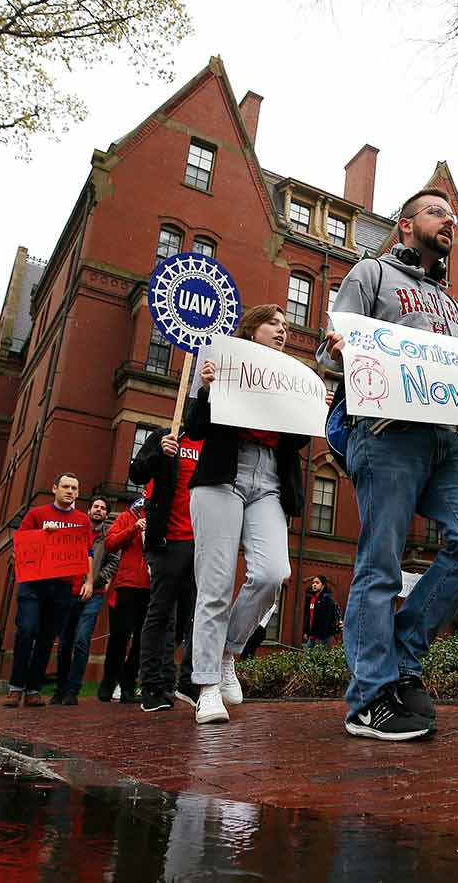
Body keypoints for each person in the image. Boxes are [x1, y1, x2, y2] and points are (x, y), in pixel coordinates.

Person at [319, 187, 458, 741]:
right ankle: (370, 698)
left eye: (452, 216)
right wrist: (338, 345)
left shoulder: (448, 303)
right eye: (436, 213)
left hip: (444, 440)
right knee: (381, 563)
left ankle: (402, 651)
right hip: (384, 431)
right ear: (405, 225)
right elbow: (331, 351)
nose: (448, 222)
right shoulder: (370, 275)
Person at [185, 304, 308, 725]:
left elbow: (297, 443)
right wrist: (205, 389)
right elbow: (195, 428)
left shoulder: (289, 375)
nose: (282, 330)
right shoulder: (223, 362)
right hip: (223, 475)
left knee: (274, 573)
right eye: (274, 323)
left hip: (270, 479)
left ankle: (226, 653)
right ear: (252, 330)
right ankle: (206, 687)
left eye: (286, 326)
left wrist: (310, 405)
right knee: (215, 585)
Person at [6, 472, 94, 708]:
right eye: (65, 486)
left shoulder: (82, 521)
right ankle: (15, 687)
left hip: (63, 586)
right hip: (34, 584)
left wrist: (89, 580)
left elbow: (88, 553)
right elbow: (20, 545)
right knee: (26, 630)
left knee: (46, 638)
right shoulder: (37, 514)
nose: (70, 491)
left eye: (74, 488)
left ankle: (33, 689)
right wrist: (42, 536)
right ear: (55, 488)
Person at [130, 430, 203, 713]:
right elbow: (136, 473)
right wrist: (159, 452)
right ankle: (151, 686)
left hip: (202, 543)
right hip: (167, 541)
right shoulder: (166, 436)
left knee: (196, 616)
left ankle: (187, 682)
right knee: (161, 614)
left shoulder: (216, 442)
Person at [53, 495, 114, 705]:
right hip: (69, 592)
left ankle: (72, 690)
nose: (98, 510)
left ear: (106, 514)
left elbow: (113, 561)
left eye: (102, 508)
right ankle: (59, 689)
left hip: (94, 595)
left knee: (81, 640)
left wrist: (97, 580)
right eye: (96, 506)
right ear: (89, 510)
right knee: (64, 644)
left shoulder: (109, 536)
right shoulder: (76, 530)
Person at [97, 498, 151, 703]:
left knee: (141, 641)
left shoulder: (163, 517)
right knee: (119, 638)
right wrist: (134, 529)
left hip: (151, 586)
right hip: (127, 585)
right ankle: (108, 684)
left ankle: (128, 686)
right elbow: (110, 544)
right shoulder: (127, 517)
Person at [303, 576, 338, 648]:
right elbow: (309, 617)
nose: (314, 585)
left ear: (323, 585)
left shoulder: (327, 599)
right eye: (313, 583)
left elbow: (328, 618)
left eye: (317, 583)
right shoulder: (312, 599)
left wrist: (323, 633)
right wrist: (306, 631)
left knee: (317, 657)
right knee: (307, 656)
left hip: (322, 636)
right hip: (312, 635)